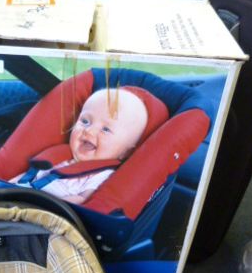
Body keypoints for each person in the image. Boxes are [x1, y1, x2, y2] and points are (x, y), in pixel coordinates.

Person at [10, 87, 149, 205]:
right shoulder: (57, 157)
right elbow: (28, 176)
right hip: (18, 199)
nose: (89, 131)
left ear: (125, 152)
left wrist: (43, 206)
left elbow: (83, 199)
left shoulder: (103, 175)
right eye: (85, 121)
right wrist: (7, 187)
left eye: (105, 129)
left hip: (47, 213)